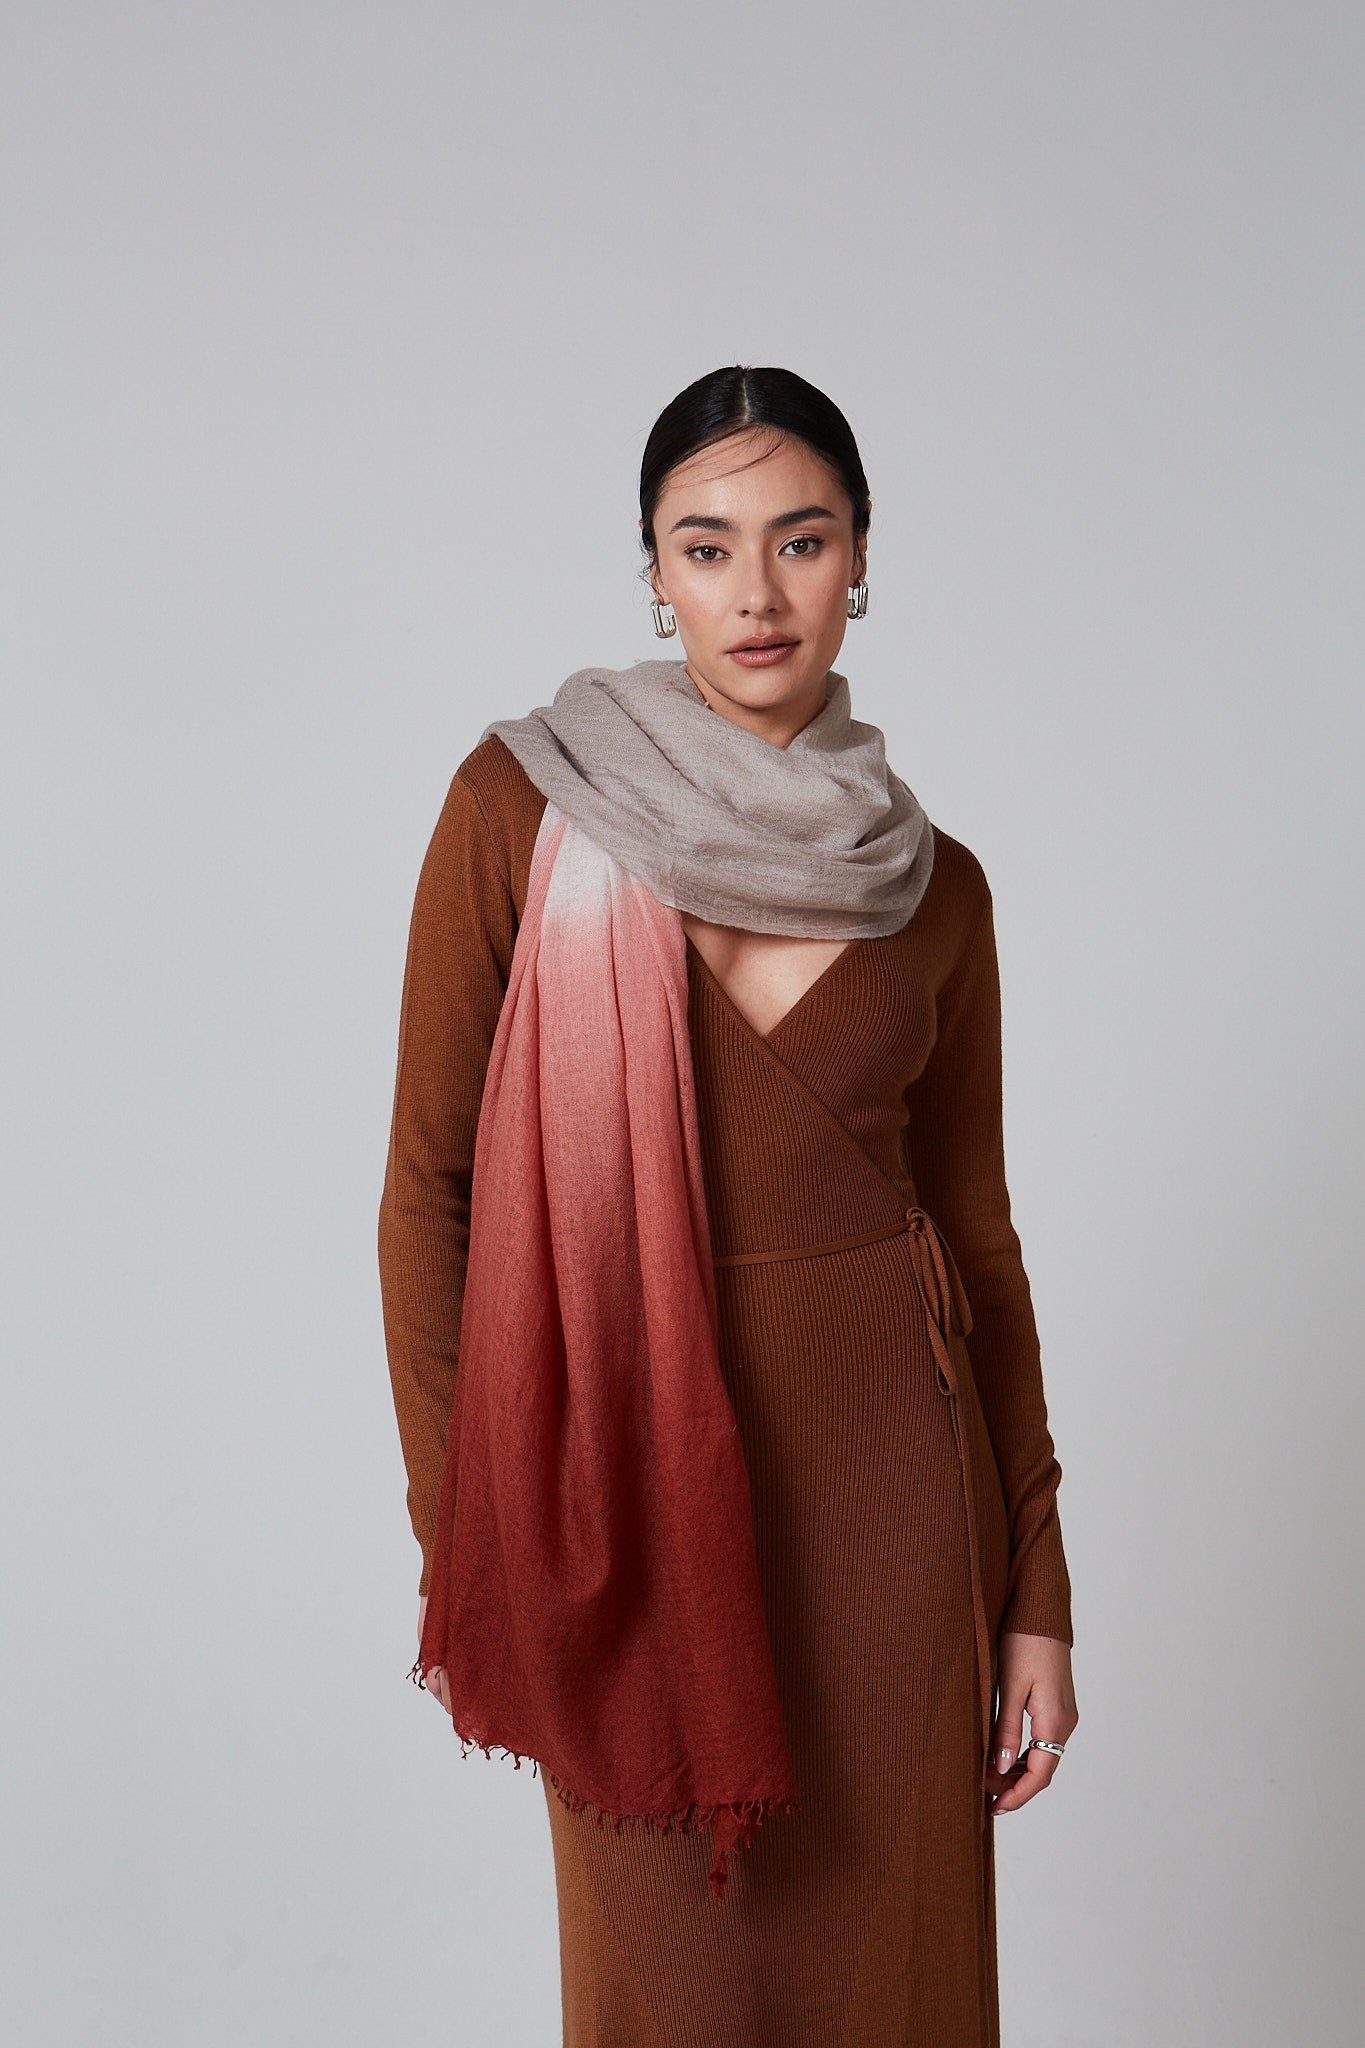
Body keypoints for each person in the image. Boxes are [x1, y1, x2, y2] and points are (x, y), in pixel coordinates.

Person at [378, 363, 1079, 2045]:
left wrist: (1035, 1592)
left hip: (891, 1523)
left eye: (799, 539)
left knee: (893, 1991)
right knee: (661, 1995)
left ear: (859, 560)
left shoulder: (936, 889)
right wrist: (475, 1522)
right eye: (706, 547)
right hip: (618, 1512)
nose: (755, 592)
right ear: (653, 572)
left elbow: (977, 1243)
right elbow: (429, 1194)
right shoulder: (520, 812)